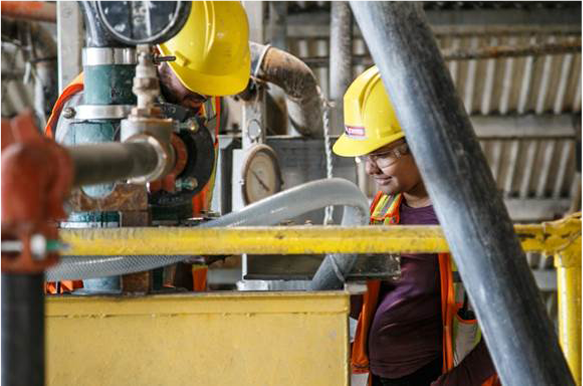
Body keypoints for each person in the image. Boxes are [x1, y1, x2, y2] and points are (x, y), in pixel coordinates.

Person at [44, 0, 250, 294]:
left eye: (212, 89)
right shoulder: (90, 109)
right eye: (194, 85)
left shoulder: (203, 97)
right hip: (87, 294)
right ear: (158, 57)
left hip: (178, 282)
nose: (203, 95)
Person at [333, 66, 499, 386]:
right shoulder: (383, 208)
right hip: (382, 376)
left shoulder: (466, 220)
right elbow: (377, 300)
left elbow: (512, 320)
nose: (370, 169)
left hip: (440, 375)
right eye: (365, 157)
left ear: (421, 144)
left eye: (380, 155)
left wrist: (457, 382)